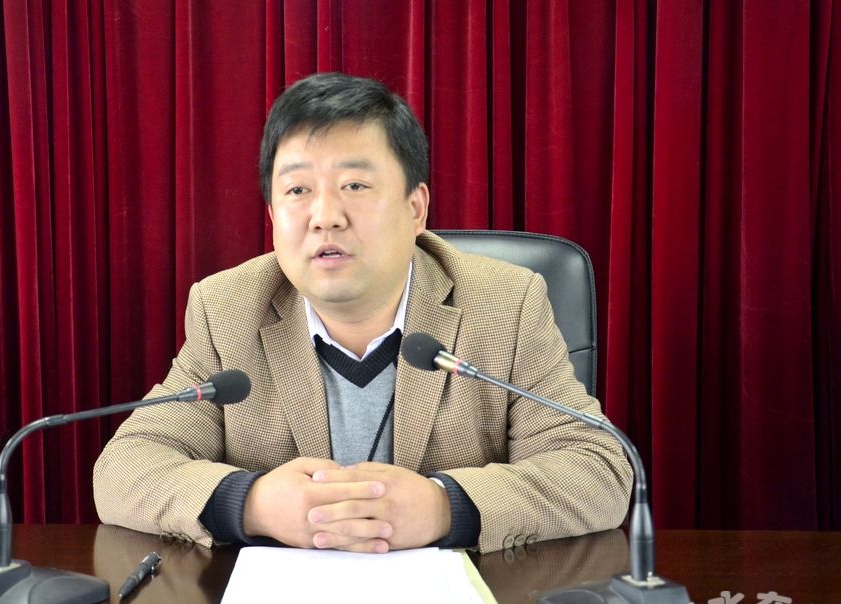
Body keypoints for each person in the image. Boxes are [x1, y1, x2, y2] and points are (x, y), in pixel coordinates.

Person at [93, 72, 632, 554]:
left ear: (415, 207)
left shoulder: (505, 303)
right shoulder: (228, 308)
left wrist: (446, 507)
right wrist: (252, 503)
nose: (325, 216)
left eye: (355, 185)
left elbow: (597, 470)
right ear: (273, 216)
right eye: (298, 190)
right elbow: (124, 468)